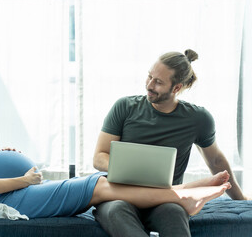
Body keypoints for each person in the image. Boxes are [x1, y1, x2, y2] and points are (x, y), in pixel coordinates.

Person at [0, 80, 231, 221]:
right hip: (12, 198)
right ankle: (184, 196)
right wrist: (21, 179)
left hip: (20, 191)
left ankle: (182, 191)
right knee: (100, 185)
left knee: (104, 183)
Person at [92, 49, 249, 237]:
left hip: (165, 199)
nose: (149, 85)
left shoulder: (198, 118)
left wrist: (240, 199)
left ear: (176, 88)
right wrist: (136, 171)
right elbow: (99, 157)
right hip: (120, 196)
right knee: (115, 210)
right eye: (149, 76)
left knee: (174, 213)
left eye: (158, 82)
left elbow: (215, 160)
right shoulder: (125, 107)